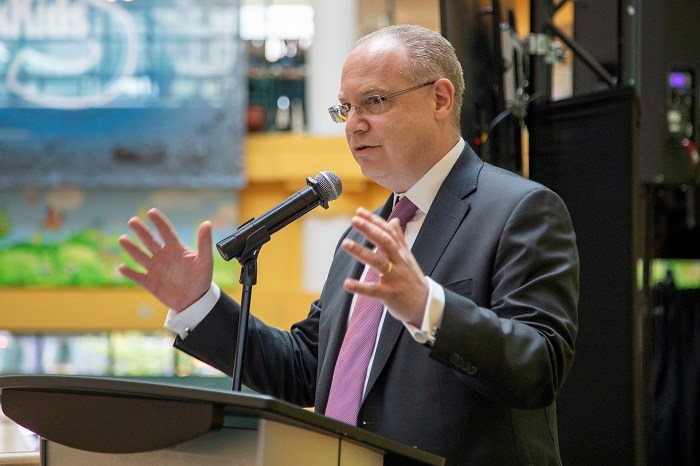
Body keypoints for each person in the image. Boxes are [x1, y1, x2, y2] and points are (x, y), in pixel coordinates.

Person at [119, 24, 579, 466]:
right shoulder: (360, 236)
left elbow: (539, 366)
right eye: (345, 108)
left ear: (440, 98)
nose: (353, 125)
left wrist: (429, 308)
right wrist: (199, 306)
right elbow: (306, 369)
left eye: (373, 102)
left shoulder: (520, 210)